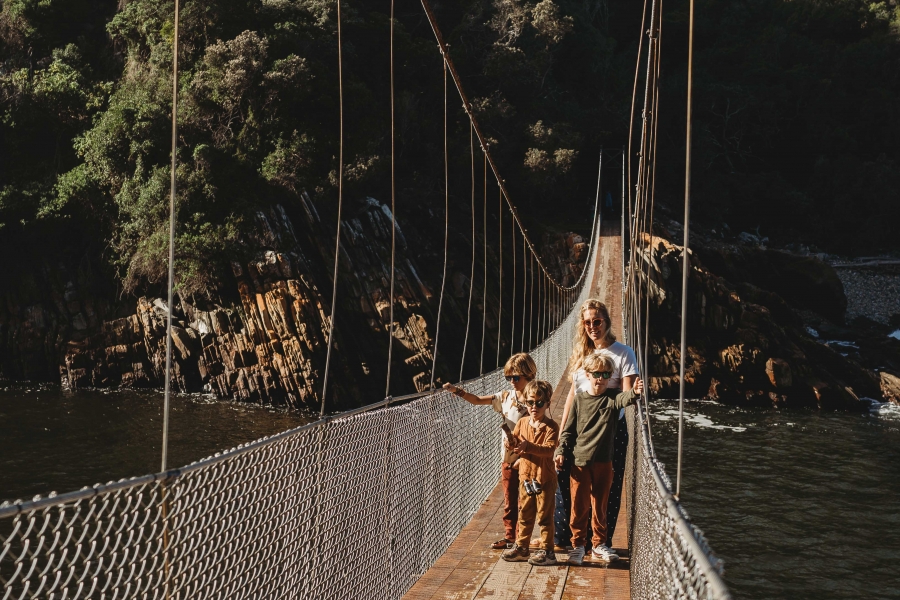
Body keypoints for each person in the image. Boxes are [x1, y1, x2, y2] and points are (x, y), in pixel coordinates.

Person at [553, 298, 638, 553]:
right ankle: (569, 540)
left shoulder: (624, 352)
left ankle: (600, 543)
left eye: (597, 321)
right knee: (569, 480)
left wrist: (632, 395)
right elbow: (573, 394)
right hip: (579, 428)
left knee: (607, 490)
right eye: (588, 322)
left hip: (609, 431)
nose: (592, 326)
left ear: (607, 322)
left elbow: (625, 396)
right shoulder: (582, 353)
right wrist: (562, 430)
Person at [443, 352, 536, 550]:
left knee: (526, 502)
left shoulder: (537, 398)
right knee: (510, 501)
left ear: (529, 374)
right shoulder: (504, 397)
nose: (512, 381)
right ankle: (511, 538)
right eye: (508, 377)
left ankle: (523, 540)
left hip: (529, 458)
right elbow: (477, 400)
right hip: (509, 458)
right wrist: (457, 391)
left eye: (516, 377)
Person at [500, 379, 559, 566]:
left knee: (544, 516)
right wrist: (511, 444)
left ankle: (548, 551)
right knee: (524, 513)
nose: (535, 407)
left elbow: (549, 450)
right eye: (530, 402)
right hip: (525, 477)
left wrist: (529, 447)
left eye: (540, 403)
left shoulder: (551, 427)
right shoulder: (523, 422)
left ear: (547, 404)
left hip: (544, 478)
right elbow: (516, 442)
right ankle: (522, 547)